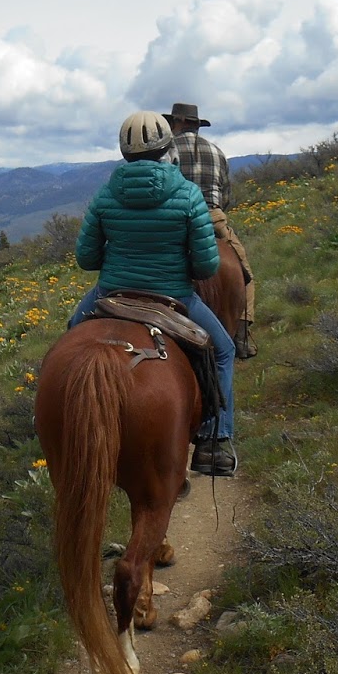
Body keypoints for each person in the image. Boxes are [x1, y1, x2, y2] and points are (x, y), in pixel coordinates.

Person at [67, 110, 237, 476]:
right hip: (174, 295)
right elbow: (207, 266)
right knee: (224, 351)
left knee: (69, 335)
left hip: (111, 292)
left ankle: (49, 413)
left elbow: (86, 258)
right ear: (166, 148)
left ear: (124, 153)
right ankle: (215, 441)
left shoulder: (105, 195)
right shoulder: (189, 196)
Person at [164, 102, 257, 358]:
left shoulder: (168, 151)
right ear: (196, 124)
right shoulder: (217, 152)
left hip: (178, 219)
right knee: (245, 273)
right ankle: (242, 335)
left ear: (178, 123)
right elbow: (226, 194)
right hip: (213, 219)